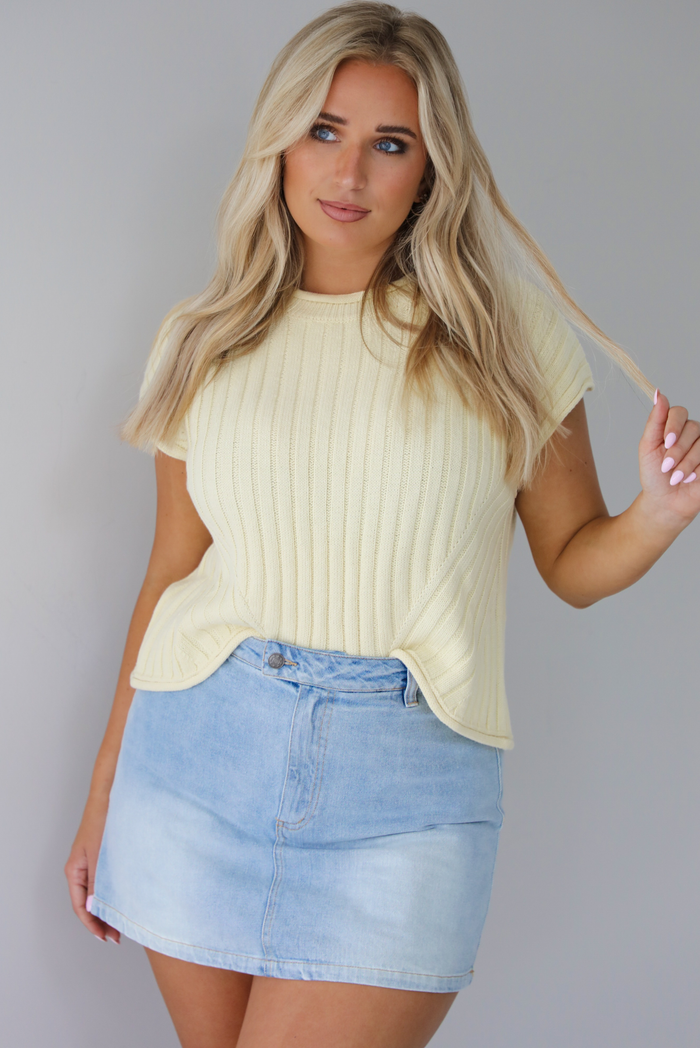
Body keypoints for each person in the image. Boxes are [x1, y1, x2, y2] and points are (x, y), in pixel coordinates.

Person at [64, 4, 699, 1046]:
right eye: (323, 130)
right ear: (278, 139)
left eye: (388, 143)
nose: (348, 172)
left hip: (403, 795)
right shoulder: (202, 339)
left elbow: (573, 564)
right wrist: (101, 803)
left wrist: (662, 513)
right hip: (194, 766)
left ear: (430, 168)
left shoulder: (505, 335)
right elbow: (172, 572)